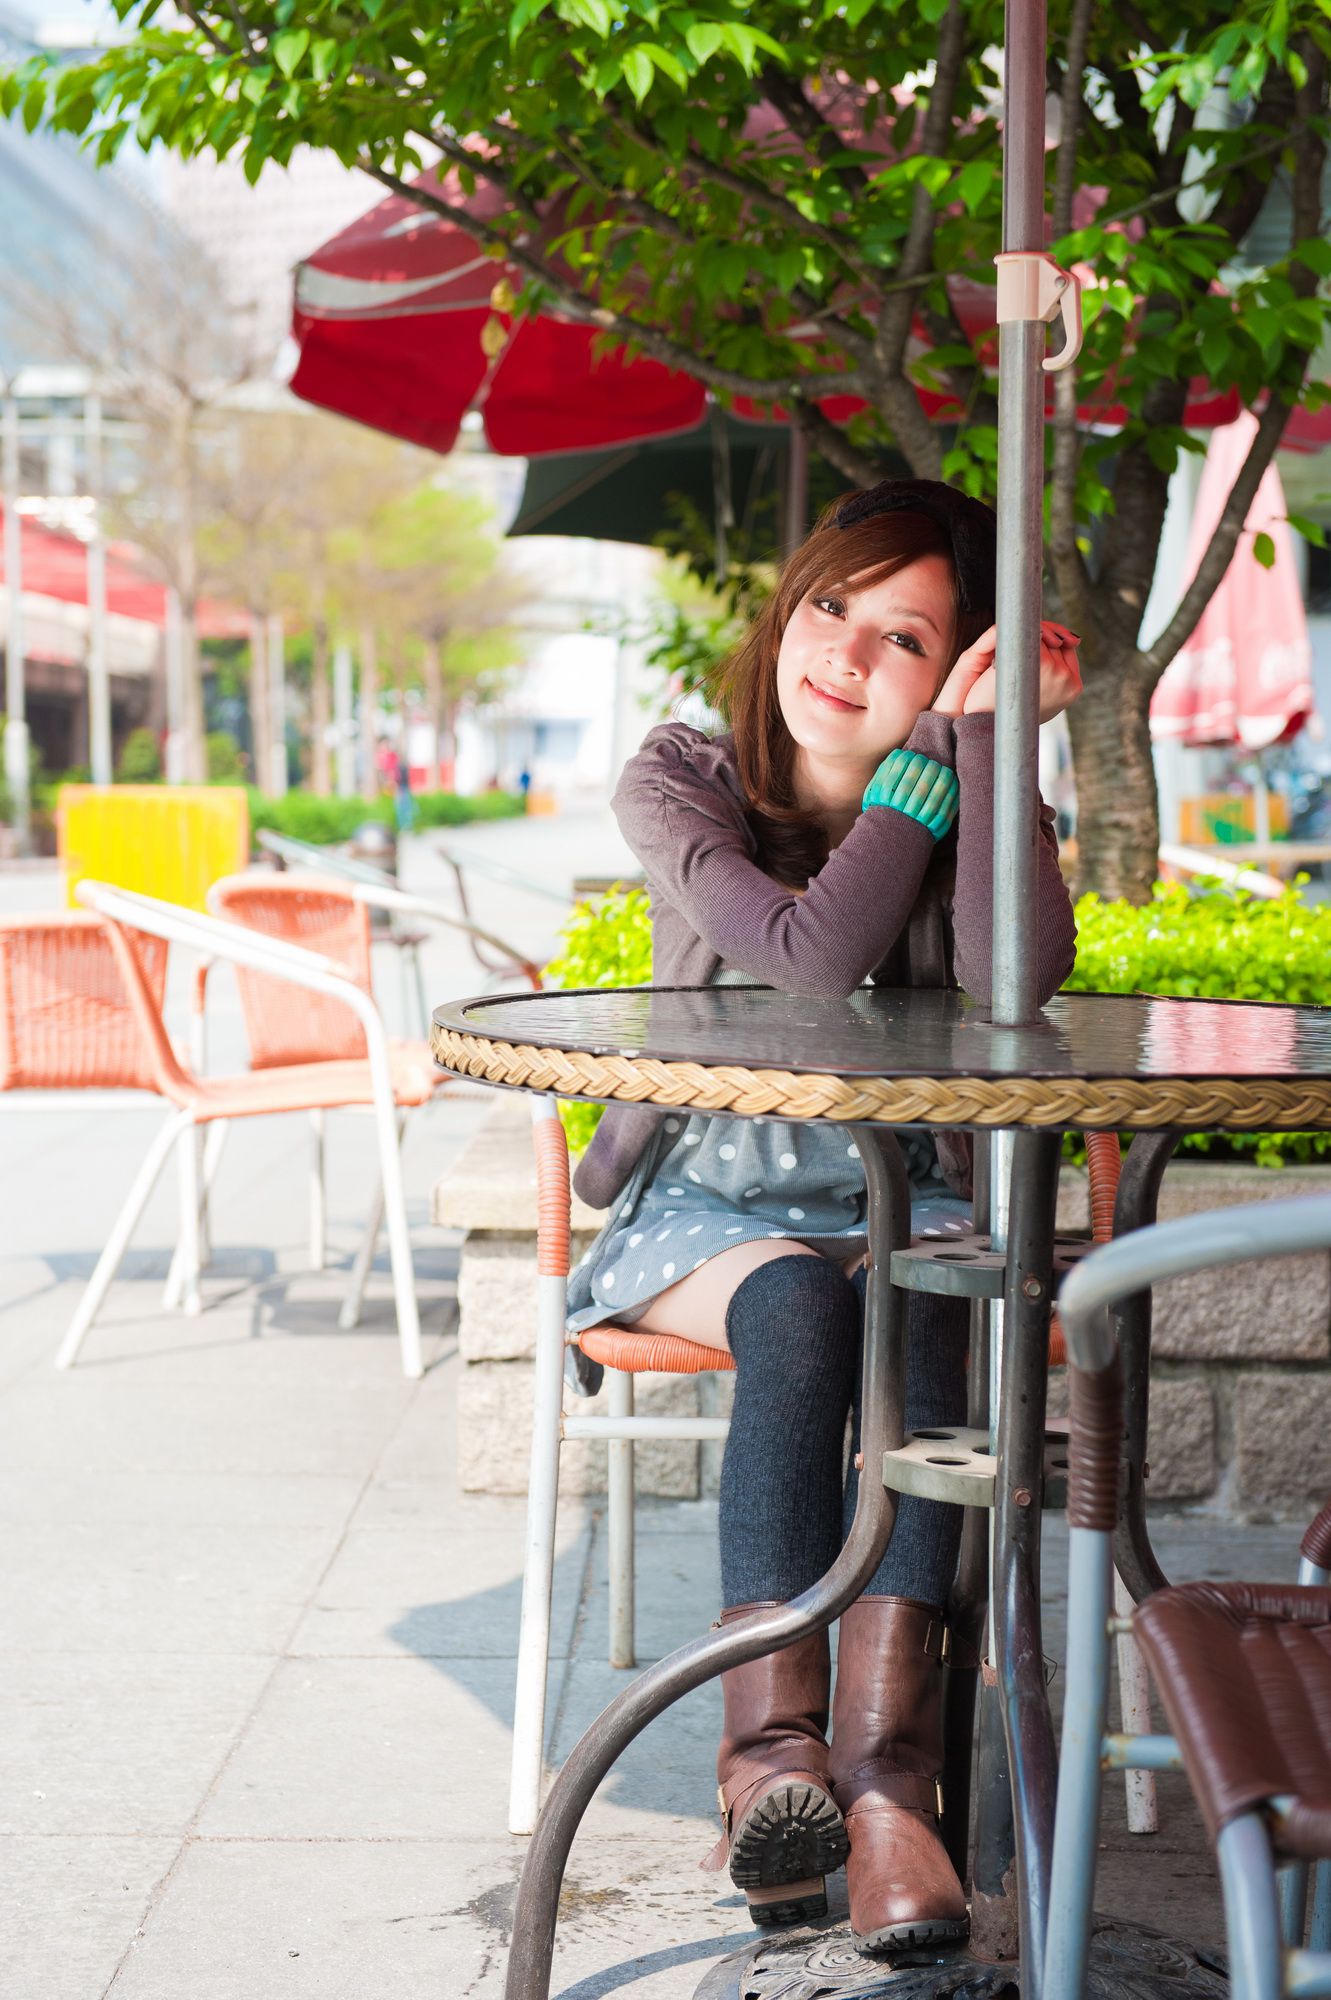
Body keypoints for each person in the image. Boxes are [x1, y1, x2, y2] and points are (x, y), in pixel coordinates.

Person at [566, 478, 1080, 1956]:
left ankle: (886, 1789)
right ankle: (769, 1759)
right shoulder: (684, 779)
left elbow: (1015, 981)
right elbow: (809, 957)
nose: (844, 655)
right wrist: (925, 773)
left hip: (901, 1195)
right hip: (704, 1206)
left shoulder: (973, 777)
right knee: (804, 1311)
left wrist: (989, 758)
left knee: (921, 1298)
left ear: (962, 667)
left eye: (907, 638)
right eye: (833, 604)